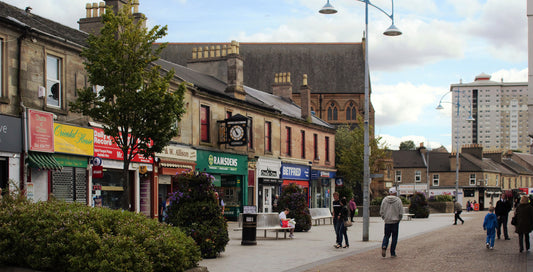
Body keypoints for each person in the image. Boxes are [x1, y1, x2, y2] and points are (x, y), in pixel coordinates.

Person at [380, 187, 403, 258]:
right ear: (395, 193)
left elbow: (381, 211)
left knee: (386, 235)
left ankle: (384, 246)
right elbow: (401, 212)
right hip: (395, 221)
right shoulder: (398, 200)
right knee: (394, 237)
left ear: (389, 193)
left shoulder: (384, 200)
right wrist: (399, 218)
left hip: (387, 221)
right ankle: (392, 252)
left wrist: (384, 218)